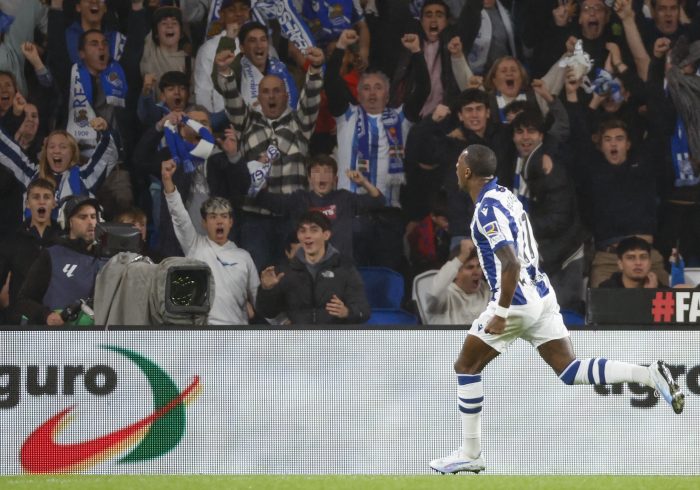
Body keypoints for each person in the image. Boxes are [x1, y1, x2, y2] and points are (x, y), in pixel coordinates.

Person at [428, 144, 684, 475]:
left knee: (466, 365)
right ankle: (647, 375)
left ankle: (470, 452)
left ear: (466, 173)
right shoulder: (505, 194)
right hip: (542, 295)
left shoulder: (486, 211)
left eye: (458, 164)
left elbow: (510, 262)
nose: (455, 170)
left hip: (517, 302)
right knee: (569, 370)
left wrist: (501, 312)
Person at [162, 158, 259, 325]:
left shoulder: (244, 257)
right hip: (202, 333)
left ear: (231, 222)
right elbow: (179, 216)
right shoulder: (194, 245)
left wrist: (282, 322)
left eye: (224, 217)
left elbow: (259, 299)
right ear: (204, 223)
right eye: (213, 217)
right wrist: (167, 182)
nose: (219, 222)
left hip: (237, 334)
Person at [254, 153, 385, 260]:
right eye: (316, 172)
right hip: (307, 269)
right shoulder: (299, 199)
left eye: (327, 172)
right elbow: (264, 199)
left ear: (335, 179)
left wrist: (363, 182)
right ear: (310, 179)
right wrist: (260, 171)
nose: (322, 176)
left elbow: (378, 200)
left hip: (340, 268)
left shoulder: (345, 198)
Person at [255, 210, 370, 324]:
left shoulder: (345, 268)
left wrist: (347, 312)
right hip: (298, 340)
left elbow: (363, 311)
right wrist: (267, 290)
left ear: (326, 235)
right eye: (302, 231)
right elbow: (267, 312)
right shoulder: (284, 271)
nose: (307, 236)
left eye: (314, 230)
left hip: (333, 340)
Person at [16, 194, 106, 326]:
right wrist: (47, 316)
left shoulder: (108, 260)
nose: (91, 222)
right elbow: (23, 300)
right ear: (68, 222)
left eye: (93, 217)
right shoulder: (51, 255)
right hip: (58, 340)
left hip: (97, 341)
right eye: (83, 217)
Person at [0, 178, 60, 324]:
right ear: (27, 204)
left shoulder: (64, 239)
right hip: (19, 323)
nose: (41, 202)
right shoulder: (11, 241)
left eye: (46, 197)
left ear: (54, 203)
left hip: (57, 319)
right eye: (35, 197)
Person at [424, 239, 489, 325]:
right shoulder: (445, 296)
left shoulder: (485, 291)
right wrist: (462, 257)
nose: (476, 272)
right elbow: (433, 293)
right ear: (456, 273)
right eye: (470, 267)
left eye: (478, 266)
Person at [598, 236, 668, 289]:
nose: (638, 263)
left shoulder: (661, 291)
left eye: (643, 257)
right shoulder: (606, 290)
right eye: (630, 258)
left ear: (650, 263)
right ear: (620, 264)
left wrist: (652, 293)